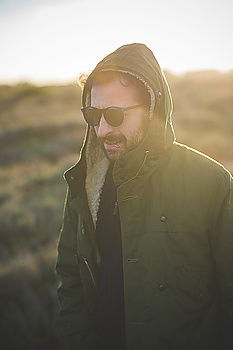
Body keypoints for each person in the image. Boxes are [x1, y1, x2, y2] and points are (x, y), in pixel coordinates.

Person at [55, 43, 233, 350]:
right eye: (92, 113)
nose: (101, 129)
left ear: (152, 109)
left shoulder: (211, 183)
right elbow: (71, 276)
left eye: (114, 115)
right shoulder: (86, 183)